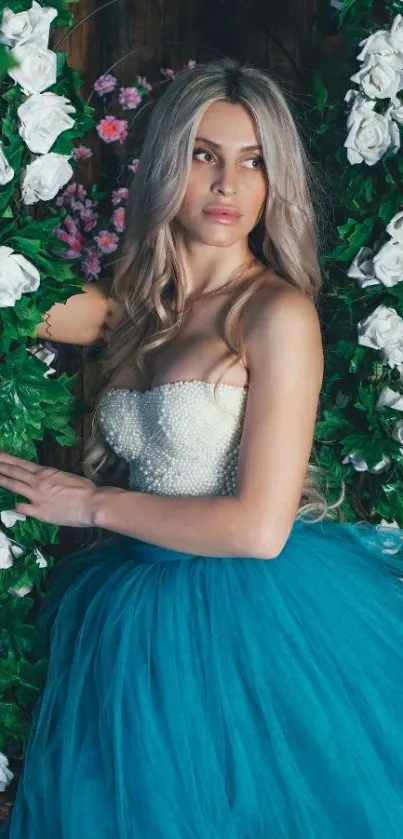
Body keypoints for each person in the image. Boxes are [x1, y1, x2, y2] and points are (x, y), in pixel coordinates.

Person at [1, 57, 403, 839]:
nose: (228, 185)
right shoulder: (134, 316)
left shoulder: (274, 314)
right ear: (163, 165)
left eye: (253, 162)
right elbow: (18, 293)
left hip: (250, 622)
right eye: (203, 155)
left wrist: (84, 501)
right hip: (128, 615)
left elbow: (258, 529)